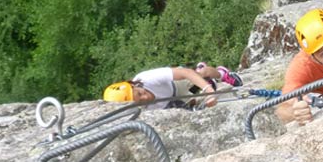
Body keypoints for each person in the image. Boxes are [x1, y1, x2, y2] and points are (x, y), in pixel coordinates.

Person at [103, 64, 242, 110]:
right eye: (140, 101)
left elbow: (184, 73)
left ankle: (222, 74)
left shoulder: (146, 78)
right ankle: (199, 88)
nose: (145, 97)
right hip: (172, 102)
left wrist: (209, 91)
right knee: (195, 101)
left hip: (176, 84)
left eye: (140, 93)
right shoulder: (139, 111)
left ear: (133, 85)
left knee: (201, 74)